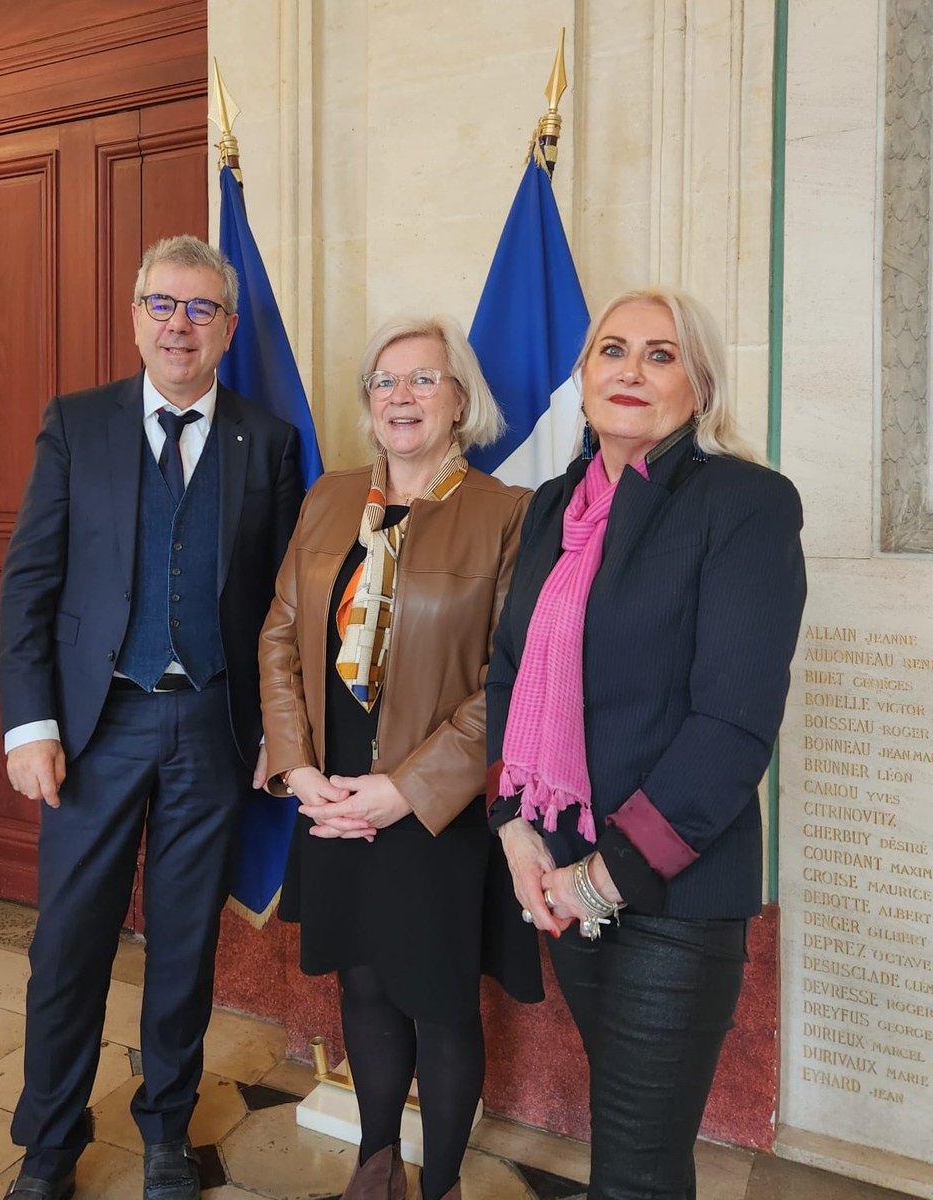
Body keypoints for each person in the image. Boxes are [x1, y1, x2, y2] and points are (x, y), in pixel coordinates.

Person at [0, 235, 303, 1200]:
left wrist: (277, 736)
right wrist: (28, 724)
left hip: (211, 732)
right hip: (95, 730)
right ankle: (48, 1147)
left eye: (201, 308)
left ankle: (165, 1129)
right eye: (162, 305)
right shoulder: (75, 426)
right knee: (69, 947)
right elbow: (29, 586)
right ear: (135, 319)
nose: (180, 324)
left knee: (183, 947)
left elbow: (282, 607)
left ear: (228, 327)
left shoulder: (270, 440)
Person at [486, 288, 806, 1200]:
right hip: (558, 873)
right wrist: (515, 829)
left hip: (672, 895)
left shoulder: (745, 503)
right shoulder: (553, 505)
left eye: (660, 355)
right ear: (582, 378)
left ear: (697, 386)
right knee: (635, 1147)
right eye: (611, 350)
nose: (630, 370)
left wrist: (600, 875)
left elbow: (733, 726)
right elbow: (509, 671)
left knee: (633, 1166)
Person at [259, 315, 541, 1200]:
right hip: (331, 793)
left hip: (432, 807)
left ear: (461, 400)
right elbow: (279, 636)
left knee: (439, 1000)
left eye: (424, 379)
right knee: (367, 981)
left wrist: (402, 791)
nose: (402, 397)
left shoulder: (508, 514)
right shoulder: (328, 498)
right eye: (385, 381)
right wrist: (301, 772)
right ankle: (375, 1160)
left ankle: (443, 1181)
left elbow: (512, 679)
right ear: (368, 403)